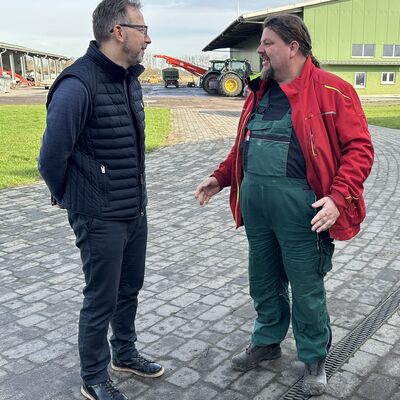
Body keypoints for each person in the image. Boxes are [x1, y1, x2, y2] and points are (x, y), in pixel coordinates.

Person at [195, 14, 373, 396]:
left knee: (306, 288)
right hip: (258, 211)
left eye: (268, 43)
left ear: (293, 47)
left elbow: (360, 149)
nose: (260, 49)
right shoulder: (260, 91)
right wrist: (220, 176)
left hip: (301, 213)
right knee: (263, 281)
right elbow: (244, 144)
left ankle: (314, 357)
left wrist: (340, 197)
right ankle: (267, 341)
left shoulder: (333, 90)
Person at [38, 1, 164, 399]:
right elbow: (50, 156)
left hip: (133, 209)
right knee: (101, 298)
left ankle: (123, 354)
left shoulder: (129, 78)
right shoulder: (78, 84)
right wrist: (71, 197)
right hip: (99, 215)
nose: (148, 38)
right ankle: (93, 377)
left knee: (129, 288)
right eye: (142, 29)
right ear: (118, 31)